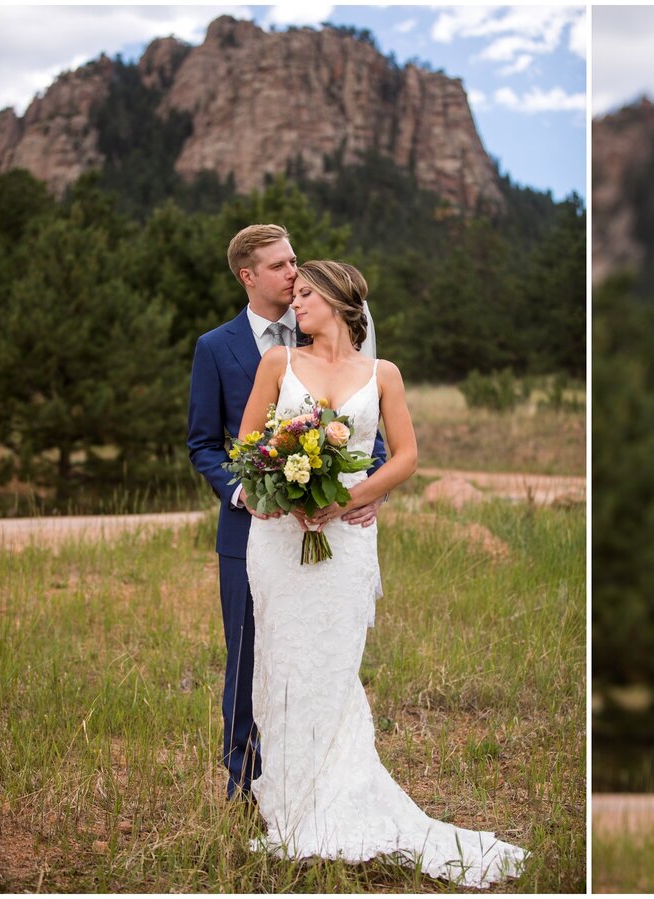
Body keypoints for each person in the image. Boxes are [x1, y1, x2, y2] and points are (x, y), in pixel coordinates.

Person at [237, 260, 527, 886]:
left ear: (341, 302)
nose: (297, 305)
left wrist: (353, 496)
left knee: (335, 669)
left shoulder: (383, 375)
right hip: (280, 542)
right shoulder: (277, 365)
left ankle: (340, 797)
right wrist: (286, 498)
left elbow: (408, 455)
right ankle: (291, 805)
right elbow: (248, 448)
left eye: (307, 295)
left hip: (348, 539)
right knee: (283, 662)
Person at [187, 225, 386, 803]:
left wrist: (371, 492)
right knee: (249, 658)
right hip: (253, 531)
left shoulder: (337, 344)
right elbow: (204, 442)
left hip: (335, 527)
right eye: (280, 266)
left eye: (295, 263)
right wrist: (246, 491)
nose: (294, 274)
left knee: (316, 656)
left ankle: (315, 782)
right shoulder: (215, 347)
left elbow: (371, 443)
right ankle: (245, 788)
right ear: (248, 276)